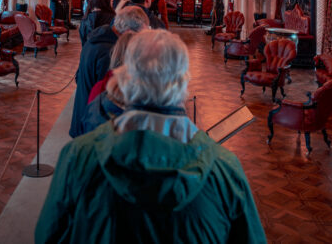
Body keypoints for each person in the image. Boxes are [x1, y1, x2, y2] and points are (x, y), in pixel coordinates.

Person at [37, 29, 266, 244]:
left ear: (124, 78)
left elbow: (49, 236)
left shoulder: (78, 156)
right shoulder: (224, 169)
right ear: (183, 82)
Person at [70, 6, 150, 138]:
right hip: (92, 123)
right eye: (140, 35)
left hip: (84, 114)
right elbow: (106, 96)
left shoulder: (98, 37)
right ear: (128, 32)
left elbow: (79, 77)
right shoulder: (109, 52)